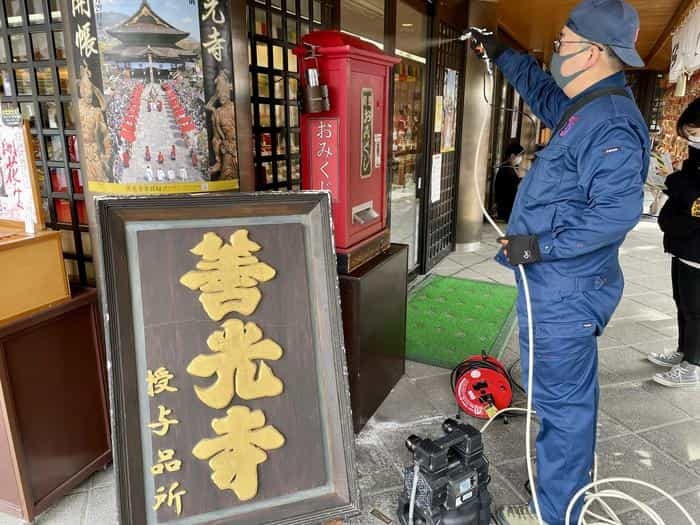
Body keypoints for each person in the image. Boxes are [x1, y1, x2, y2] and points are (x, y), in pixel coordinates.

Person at [470, 1, 649, 524]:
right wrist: (502, 53)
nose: (555, 53)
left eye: (563, 44)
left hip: (565, 290)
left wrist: (535, 247)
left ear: (593, 53)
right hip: (555, 284)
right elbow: (545, 95)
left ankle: (557, 512)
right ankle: (561, 484)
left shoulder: (611, 123)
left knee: (562, 404)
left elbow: (615, 214)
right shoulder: (585, 105)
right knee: (559, 396)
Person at [648, 98, 700, 387]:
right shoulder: (695, 155)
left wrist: (673, 181)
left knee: (696, 309)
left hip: (697, 245)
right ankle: (684, 352)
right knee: (682, 302)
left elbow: (695, 199)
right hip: (683, 241)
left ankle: (693, 365)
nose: (692, 139)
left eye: (695, 131)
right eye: (689, 133)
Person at [495, 142, 525, 222]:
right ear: (512, 156)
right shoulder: (507, 170)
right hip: (507, 210)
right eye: (520, 155)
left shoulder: (510, 168)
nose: (521, 158)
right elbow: (512, 192)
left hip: (507, 209)